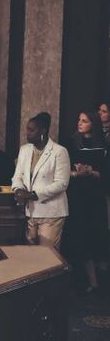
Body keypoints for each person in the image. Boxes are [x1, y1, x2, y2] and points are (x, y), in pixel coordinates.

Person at [62, 110, 108, 293]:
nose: (79, 123)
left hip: (94, 197)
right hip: (77, 196)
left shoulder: (103, 144)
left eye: (84, 121)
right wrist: (77, 173)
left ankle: (96, 282)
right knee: (76, 236)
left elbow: (105, 173)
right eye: (78, 120)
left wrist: (92, 172)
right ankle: (78, 280)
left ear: (93, 124)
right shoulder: (71, 143)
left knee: (94, 237)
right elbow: (65, 172)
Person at [12, 112, 70, 250]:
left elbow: (61, 183)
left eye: (32, 130)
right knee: (31, 257)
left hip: (51, 212)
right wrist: (18, 189)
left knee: (47, 256)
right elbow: (17, 176)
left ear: (43, 130)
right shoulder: (24, 150)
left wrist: (33, 194)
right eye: (27, 129)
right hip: (30, 211)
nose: (27, 133)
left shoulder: (59, 151)